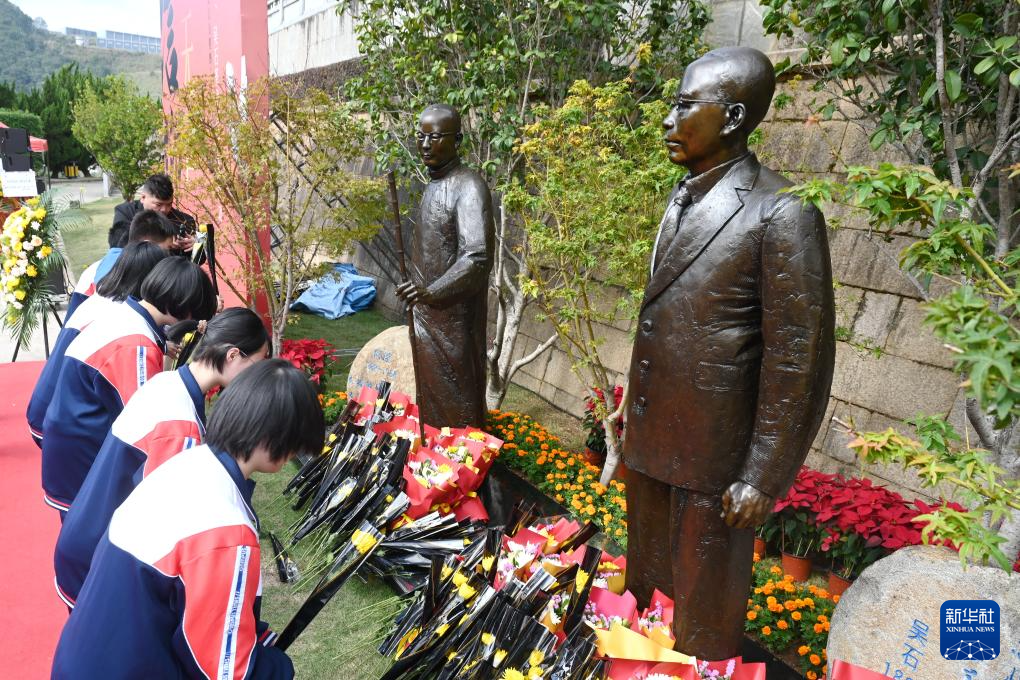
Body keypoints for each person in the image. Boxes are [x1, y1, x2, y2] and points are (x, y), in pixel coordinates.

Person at [622, 47, 835, 660]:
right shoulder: (685, 195)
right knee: (647, 598)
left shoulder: (783, 211)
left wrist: (762, 475)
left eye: (686, 105)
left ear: (734, 116)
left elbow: (799, 359)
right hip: (654, 442)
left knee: (701, 620)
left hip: (714, 463)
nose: (669, 119)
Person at [52, 359, 322, 679]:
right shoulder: (227, 528)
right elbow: (223, 669)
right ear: (280, 437)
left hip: (88, 656)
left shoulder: (186, 465)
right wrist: (278, 667)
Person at [53, 307, 271, 607]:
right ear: (233, 355)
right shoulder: (181, 428)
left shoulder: (167, 383)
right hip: (99, 554)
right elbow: (170, 522)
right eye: (259, 362)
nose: (258, 376)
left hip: (89, 532)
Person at [41, 258, 217, 519]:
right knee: (93, 530)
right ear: (184, 306)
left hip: (71, 433)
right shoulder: (137, 346)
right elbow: (146, 419)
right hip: (85, 448)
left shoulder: (126, 315)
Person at [394, 104, 494, 428]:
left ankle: (463, 459)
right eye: (421, 137)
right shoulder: (434, 184)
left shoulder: (469, 186)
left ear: (457, 140)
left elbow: (476, 258)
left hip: (454, 325)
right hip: (427, 317)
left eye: (435, 137)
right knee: (431, 407)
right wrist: (416, 291)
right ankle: (436, 456)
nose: (425, 145)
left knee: (459, 407)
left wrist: (432, 292)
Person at [27, 242, 170, 447]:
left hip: (51, 409)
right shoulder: (121, 316)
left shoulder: (105, 298)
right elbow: (137, 410)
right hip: (64, 423)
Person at [65, 209, 178, 321]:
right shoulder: (115, 272)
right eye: (167, 250)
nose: (168, 256)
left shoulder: (119, 261)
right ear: (147, 245)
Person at [113, 173, 198, 258]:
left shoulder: (185, 220)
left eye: (169, 204)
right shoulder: (125, 213)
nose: (164, 209)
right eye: (158, 204)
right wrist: (165, 243)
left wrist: (195, 247)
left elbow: (195, 260)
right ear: (143, 197)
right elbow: (119, 248)